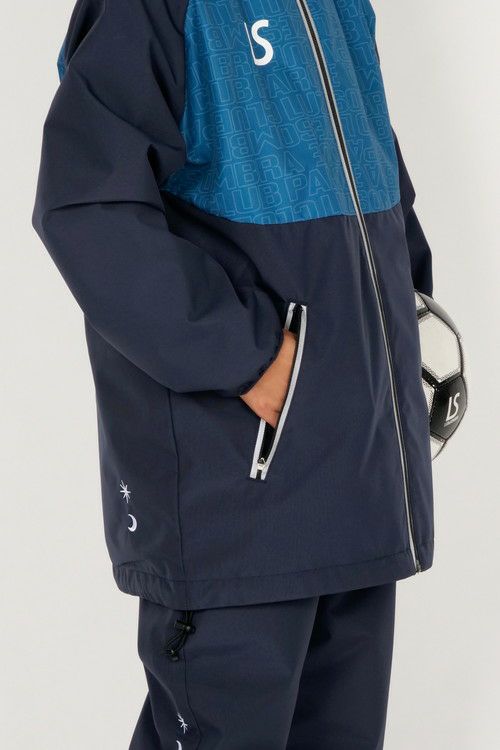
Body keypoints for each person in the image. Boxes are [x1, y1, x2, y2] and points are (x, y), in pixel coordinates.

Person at [33, 1, 434, 747]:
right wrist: (247, 357)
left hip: (361, 472)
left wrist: (406, 337)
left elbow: (377, 187)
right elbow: (87, 206)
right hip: (239, 488)